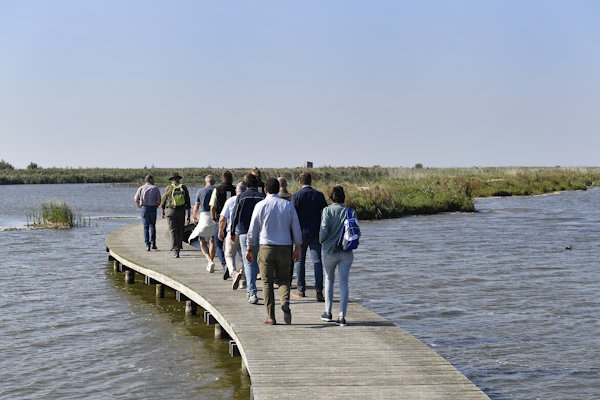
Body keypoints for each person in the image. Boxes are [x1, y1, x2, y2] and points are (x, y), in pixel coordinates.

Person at [246, 177, 301, 325]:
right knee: (284, 279)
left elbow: (253, 230)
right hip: (285, 247)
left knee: (267, 283)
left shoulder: (260, 205)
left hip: (266, 248)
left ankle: (271, 316)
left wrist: (250, 248)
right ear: (279, 189)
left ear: (265, 190)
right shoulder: (288, 205)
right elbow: (296, 227)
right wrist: (298, 247)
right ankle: (284, 301)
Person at [319, 185, 356, 326]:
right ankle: (342, 316)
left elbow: (323, 234)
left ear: (331, 197)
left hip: (329, 251)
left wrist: (321, 240)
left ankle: (328, 313)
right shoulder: (350, 211)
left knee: (329, 280)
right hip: (347, 252)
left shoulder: (327, 211)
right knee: (344, 283)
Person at [291, 172, 328, 301]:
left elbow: (292, 217)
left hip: (300, 233)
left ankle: (301, 289)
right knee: (317, 261)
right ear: (311, 181)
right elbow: (325, 212)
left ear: (299, 182)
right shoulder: (318, 195)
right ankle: (319, 290)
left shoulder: (296, 196)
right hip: (316, 232)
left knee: (300, 261)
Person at [231, 174, 265, 304]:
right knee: (256, 261)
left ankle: (252, 292)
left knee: (248, 262)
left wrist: (233, 231)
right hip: (260, 234)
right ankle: (252, 289)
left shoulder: (241, 197)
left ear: (245, 185)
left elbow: (235, 215)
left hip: (245, 232)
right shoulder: (262, 197)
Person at [219, 181, 246, 290]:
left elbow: (222, 218)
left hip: (232, 232)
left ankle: (233, 273)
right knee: (246, 257)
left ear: (236, 190)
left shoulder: (230, 201)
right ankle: (243, 280)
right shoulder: (247, 201)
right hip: (246, 232)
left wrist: (220, 231)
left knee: (229, 254)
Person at [209, 171, 236, 278]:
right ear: (231, 179)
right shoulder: (235, 189)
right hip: (233, 221)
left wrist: (213, 218)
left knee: (218, 244)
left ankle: (225, 265)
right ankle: (231, 265)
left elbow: (212, 206)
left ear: (222, 178)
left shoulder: (217, 189)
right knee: (232, 247)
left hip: (221, 219)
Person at [160, 172, 191, 258]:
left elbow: (163, 200)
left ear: (172, 180)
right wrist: (189, 215)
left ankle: (175, 249)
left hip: (171, 211)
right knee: (180, 229)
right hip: (181, 211)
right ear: (179, 179)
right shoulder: (183, 188)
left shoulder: (169, 188)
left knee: (172, 230)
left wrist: (162, 210)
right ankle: (179, 247)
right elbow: (188, 202)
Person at [191, 175, 217, 271]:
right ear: (214, 182)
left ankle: (209, 261)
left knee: (202, 242)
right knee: (212, 241)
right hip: (214, 216)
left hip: (204, 217)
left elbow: (196, 207)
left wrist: (194, 217)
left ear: (206, 182)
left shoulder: (200, 191)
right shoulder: (217, 190)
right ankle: (211, 261)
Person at [134, 174, 161, 251]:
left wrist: (140, 206)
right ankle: (153, 243)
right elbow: (159, 200)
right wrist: (156, 206)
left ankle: (147, 245)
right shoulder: (155, 188)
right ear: (151, 180)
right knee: (152, 226)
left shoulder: (141, 188)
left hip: (144, 208)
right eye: (153, 179)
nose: (154, 181)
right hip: (153, 208)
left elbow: (136, 199)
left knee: (145, 227)